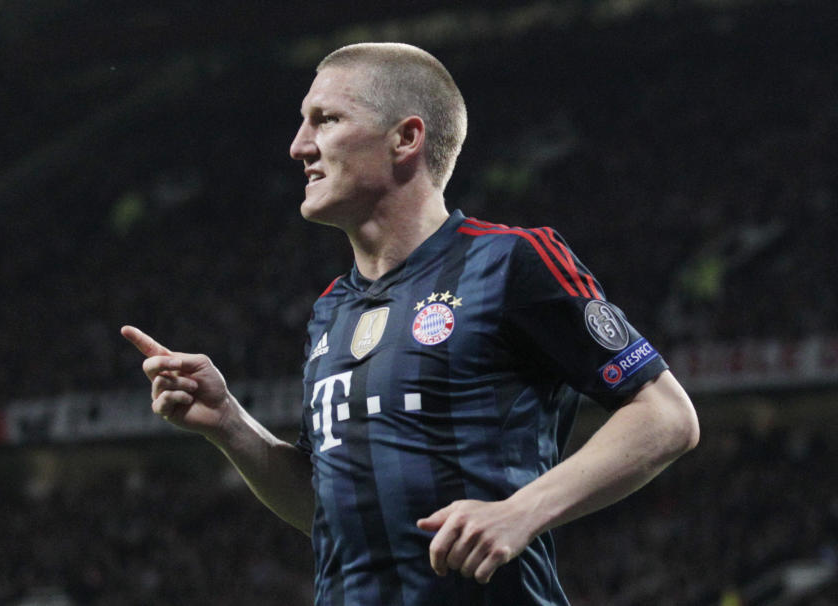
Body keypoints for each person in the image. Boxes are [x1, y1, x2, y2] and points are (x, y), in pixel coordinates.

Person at [121, 42, 699, 605]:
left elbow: (666, 416)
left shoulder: (510, 262)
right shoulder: (329, 309)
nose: (299, 146)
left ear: (406, 138)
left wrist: (522, 510)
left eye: (325, 120)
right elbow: (326, 511)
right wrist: (229, 424)